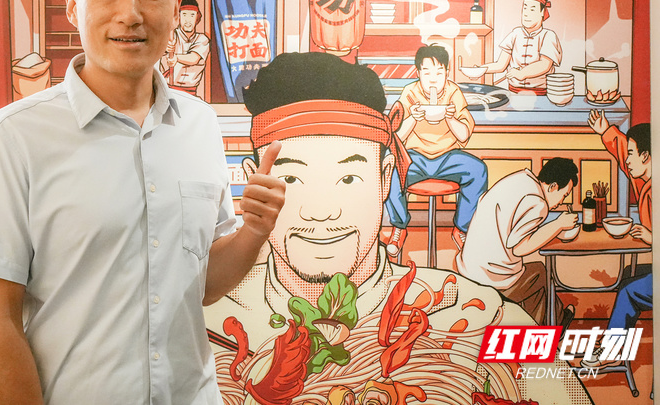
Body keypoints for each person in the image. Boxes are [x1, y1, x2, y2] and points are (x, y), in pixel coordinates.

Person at [0, 0, 286, 404]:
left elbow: (203, 285)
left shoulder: (199, 124)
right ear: (73, 5)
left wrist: (254, 230)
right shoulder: (14, 137)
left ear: (176, 7)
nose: (131, 14)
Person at [205, 53, 589, 404]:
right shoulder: (209, 324)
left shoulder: (484, 315)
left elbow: (568, 396)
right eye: (292, 178)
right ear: (255, 181)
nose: (321, 211)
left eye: (349, 178)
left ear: (385, 178)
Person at [383, 44, 487, 256]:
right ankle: (399, 227)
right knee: (389, 167)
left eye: (439, 73)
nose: (433, 79)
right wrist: (413, 118)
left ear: (447, 73)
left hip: (448, 157)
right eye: (427, 72)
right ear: (418, 72)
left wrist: (450, 117)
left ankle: (461, 229)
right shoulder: (409, 93)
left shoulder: (453, 92)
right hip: (415, 158)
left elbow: (464, 135)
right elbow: (397, 137)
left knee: (478, 170)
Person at [455, 158, 580, 325]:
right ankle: (553, 323)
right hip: (490, 280)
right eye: (564, 195)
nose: (561, 202)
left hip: (468, 268)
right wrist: (558, 225)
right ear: (553, 186)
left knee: (534, 284)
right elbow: (519, 248)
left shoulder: (521, 178)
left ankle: (552, 322)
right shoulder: (538, 203)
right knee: (540, 273)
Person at [582, 113, 651, 369]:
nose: (627, 160)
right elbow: (623, 151)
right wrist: (606, 131)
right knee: (628, 275)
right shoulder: (644, 178)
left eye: (633, 154)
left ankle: (611, 351)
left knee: (628, 291)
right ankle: (617, 342)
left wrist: (655, 238)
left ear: (646, 156)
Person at [468, 0, 562, 94]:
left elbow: (544, 65)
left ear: (542, 12)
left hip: (540, 94)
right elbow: (501, 65)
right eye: (525, 8)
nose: (526, 14)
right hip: (513, 92)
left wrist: (522, 73)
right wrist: (480, 70)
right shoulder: (515, 34)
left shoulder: (549, 35)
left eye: (532, 10)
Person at [160, 0, 210, 95]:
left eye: (192, 15)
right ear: (178, 16)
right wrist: (163, 47)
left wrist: (176, 58)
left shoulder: (202, 39)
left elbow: (194, 58)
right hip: (168, 92)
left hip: (190, 93)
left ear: (197, 17)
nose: (188, 20)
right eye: (184, 15)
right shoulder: (169, 35)